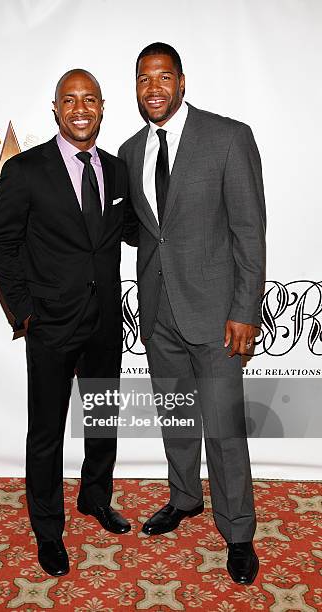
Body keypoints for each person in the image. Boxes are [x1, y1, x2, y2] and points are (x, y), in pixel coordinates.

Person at [118, 42, 266, 585]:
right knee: (177, 418)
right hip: (159, 315)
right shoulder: (131, 151)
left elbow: (250, 231)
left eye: (163, 77)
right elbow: (141, 230)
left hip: (218, 314)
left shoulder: (228, 137)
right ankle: (184, 499)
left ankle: (239, 531)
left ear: (182, 82)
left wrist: (245, 309)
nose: (153, 88)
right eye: (142, 79)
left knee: (225, 429)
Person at [0, 69, 136, 577]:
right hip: (50, 324)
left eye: (89, 99)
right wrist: (26, 312)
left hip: (105, 323)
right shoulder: (26, 170)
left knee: (101, 420)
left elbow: (137, 231)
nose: (80, 108)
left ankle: (95, 498)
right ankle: (47, 531)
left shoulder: (118, 171)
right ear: (55, 108)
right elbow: (3, 247)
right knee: (46, 433)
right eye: (69, 100)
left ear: (101, 107)